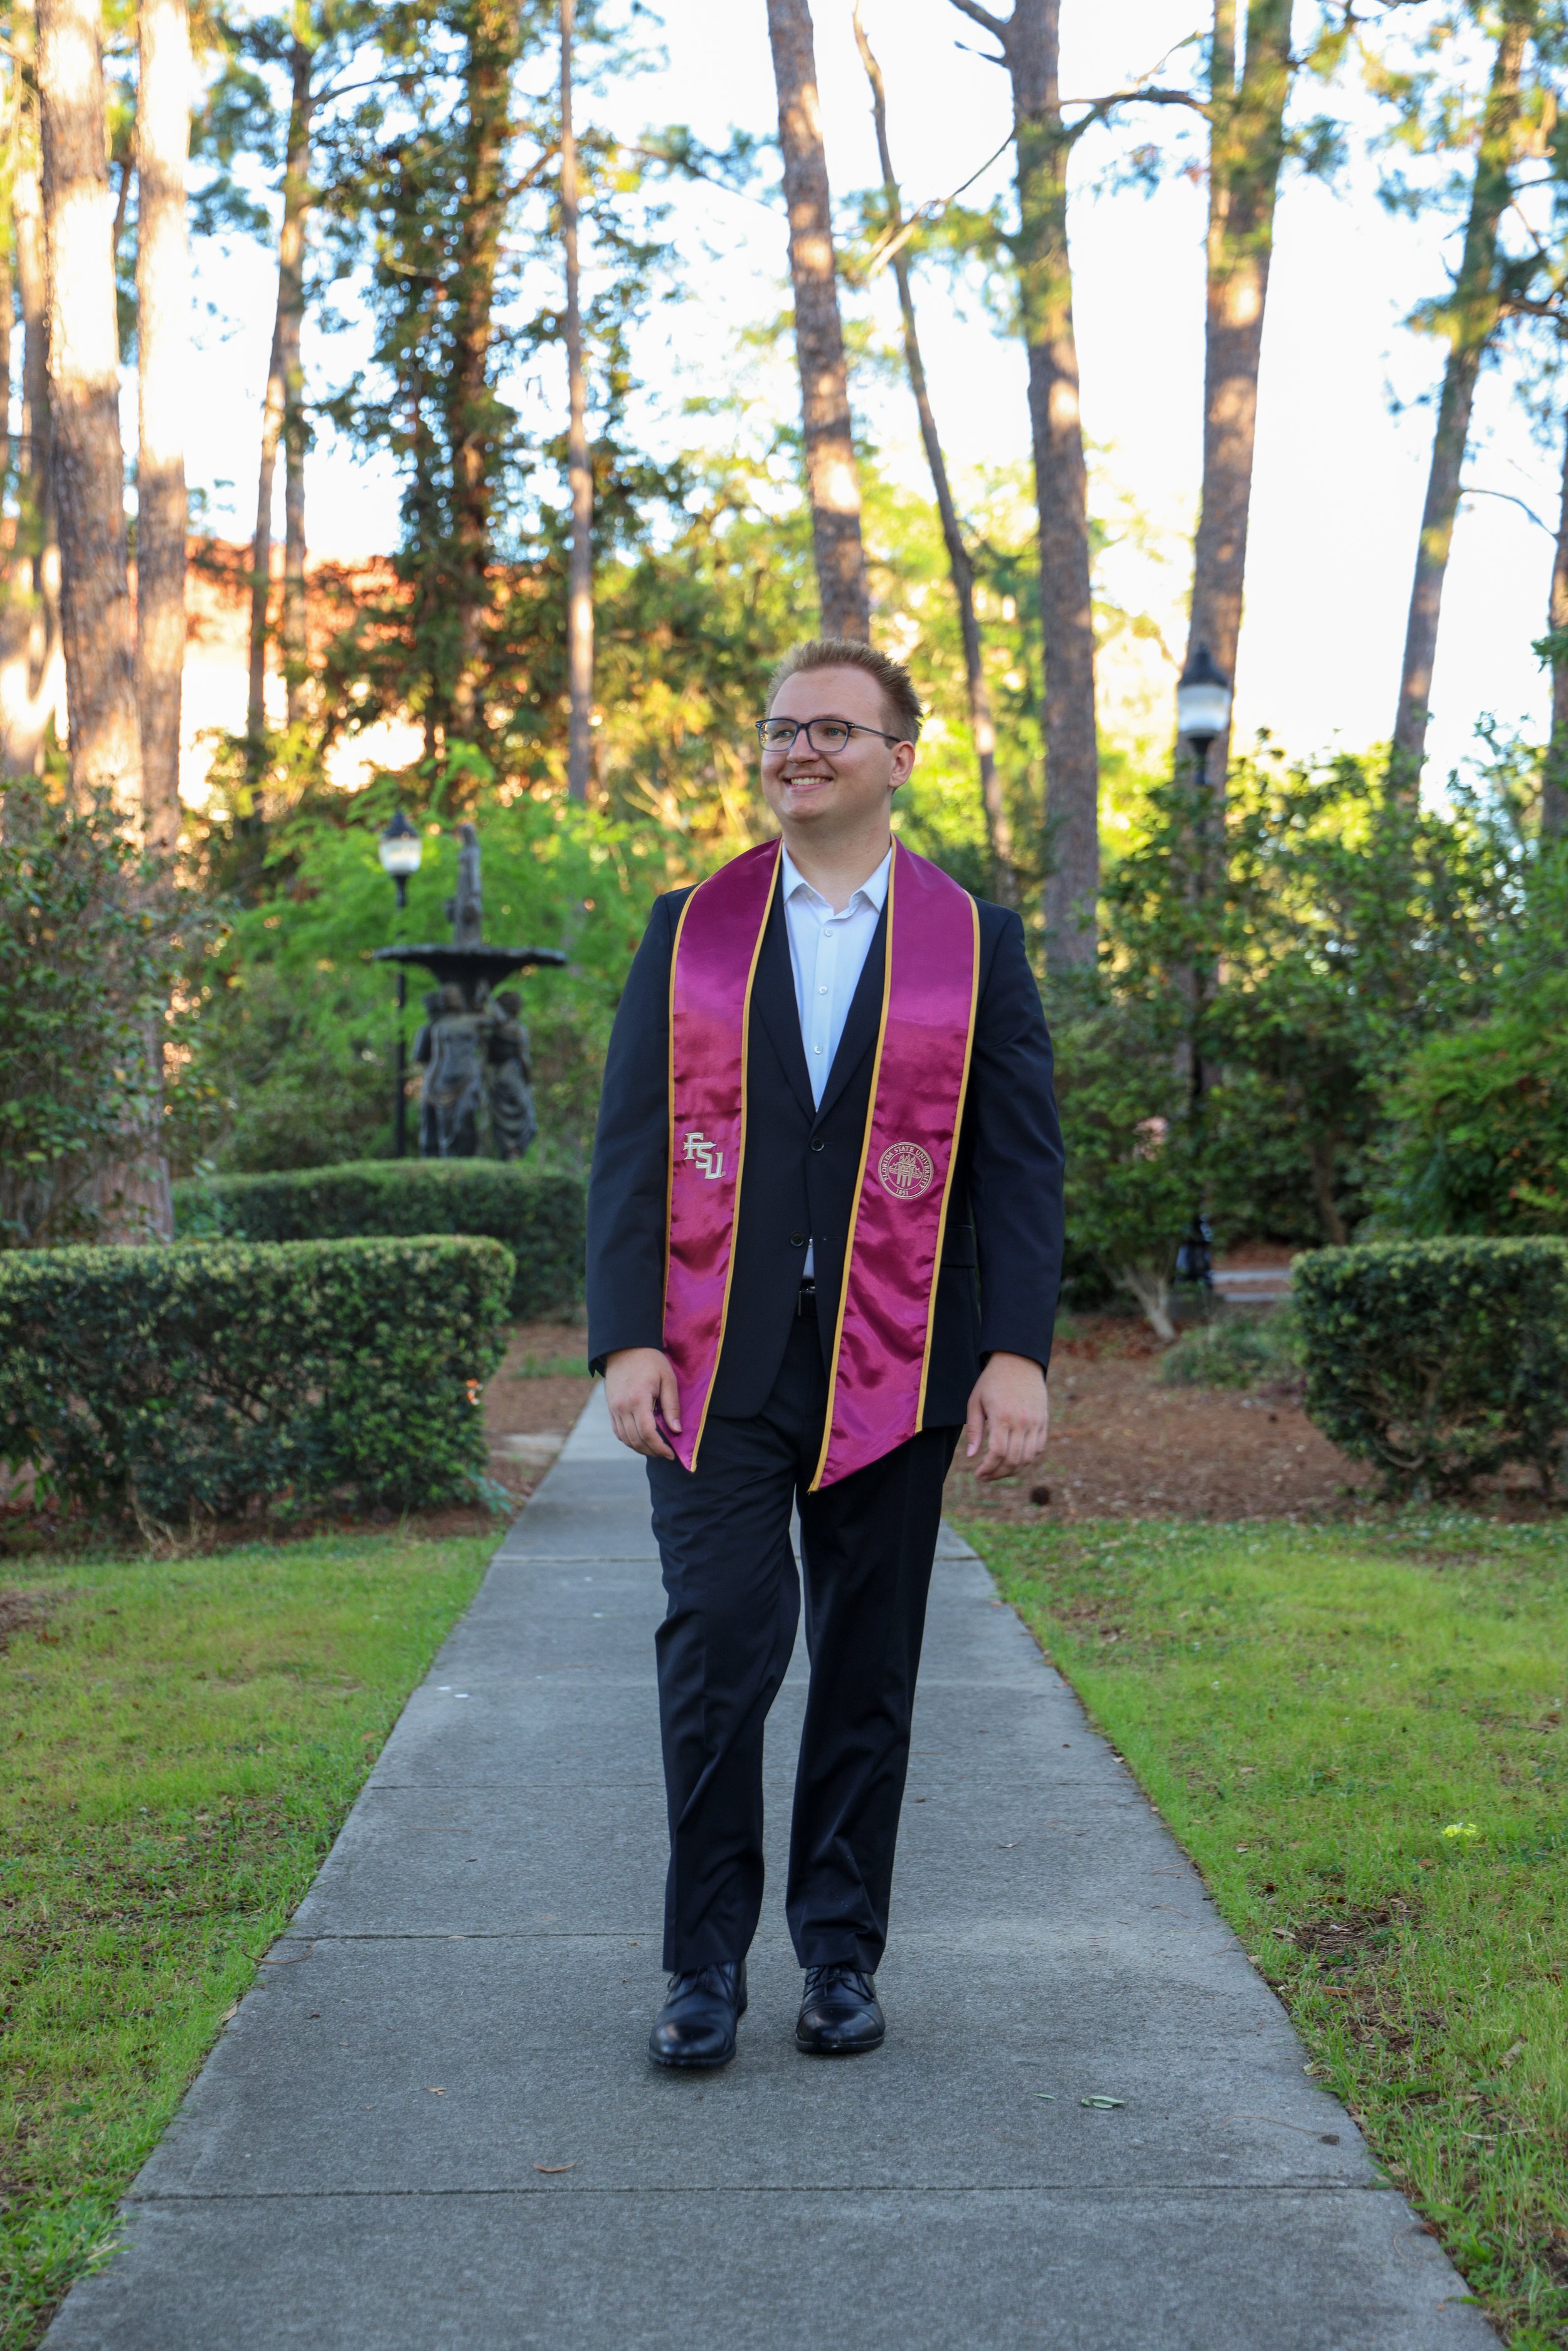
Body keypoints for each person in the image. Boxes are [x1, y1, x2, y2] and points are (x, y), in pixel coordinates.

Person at [586, 637, 1064, 2071]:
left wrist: (1015, 1352)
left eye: (832, 730)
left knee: (868, 1661)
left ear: (899, 756)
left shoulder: (970, 941)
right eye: (781, 726)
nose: (797, 750)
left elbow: (1017, 1165)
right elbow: (625, 1150)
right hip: (714, 1352)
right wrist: (620, 1336)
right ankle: (701, 1965)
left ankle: (841, 1954)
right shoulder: (691, 926)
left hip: (901, 1354)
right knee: (719, 1649)